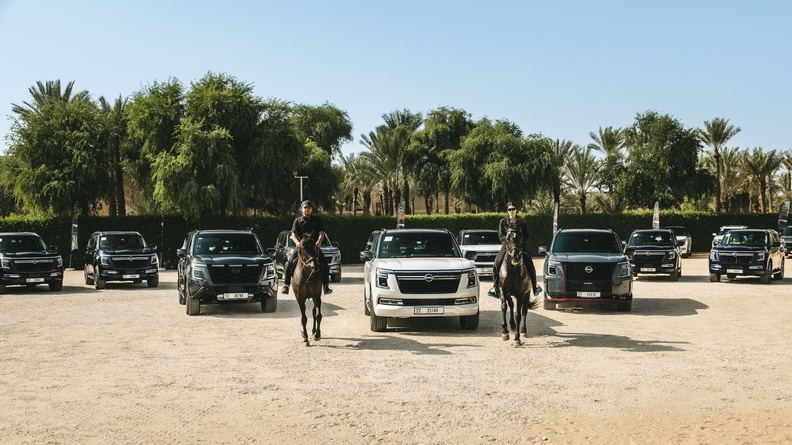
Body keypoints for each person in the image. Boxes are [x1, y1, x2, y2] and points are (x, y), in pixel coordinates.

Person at [487, 202, 542, 298]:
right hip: (507, 246)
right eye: (509, 209)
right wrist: (508, 241)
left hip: (519, 246)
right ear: (507, 211)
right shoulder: (503, 222)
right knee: (496, 262)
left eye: (513, 209)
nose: (511, 211)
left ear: (516, 210)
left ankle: (534, 286)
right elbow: (500, 235)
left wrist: (520, 241)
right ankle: (495, 288)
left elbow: (526, 234)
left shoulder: (522, 222)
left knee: (529, 262)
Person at [281, 200, 333, 295]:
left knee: (325, 264)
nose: (307, 209)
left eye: (308, 208)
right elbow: (293, 234)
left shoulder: (317, 221)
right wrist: (297, 243)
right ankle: (286, 285)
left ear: (311, 209)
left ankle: (326, 285)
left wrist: (318, 242)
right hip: (302, 248)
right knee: (288, 264)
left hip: (314, 248)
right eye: (305, 208)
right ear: (301, 209)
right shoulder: (297, 221)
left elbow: (321, 233)